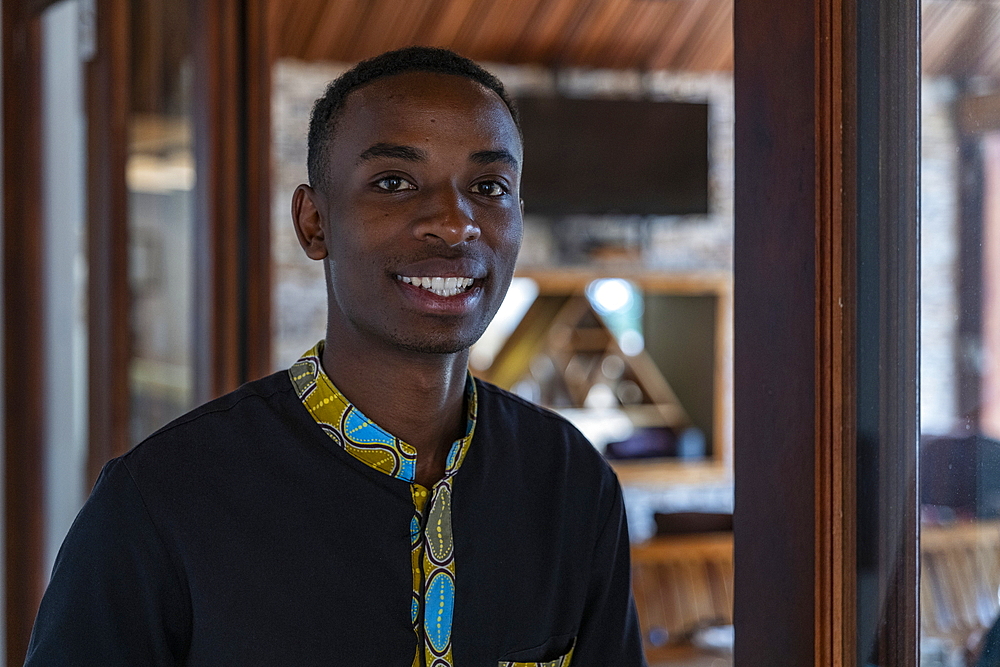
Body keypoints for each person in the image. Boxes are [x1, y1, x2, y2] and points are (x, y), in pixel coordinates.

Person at [24, 46, 646, 667]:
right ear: (314, 221)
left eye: (488, 187)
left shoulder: (569, 484)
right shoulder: (160, 502)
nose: (455, 224)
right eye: (395, 183)